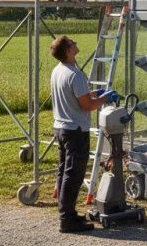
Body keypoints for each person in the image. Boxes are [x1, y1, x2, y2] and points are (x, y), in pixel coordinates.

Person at [50, 35, 117, 233]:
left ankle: (67, 213)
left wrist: (96, 92)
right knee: (74, 174)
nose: (76, 44)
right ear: (68, 51)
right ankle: (67, 220)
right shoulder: (75, 75)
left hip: (61, 128)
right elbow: (86, 105)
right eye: (72, 44)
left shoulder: (58, 71)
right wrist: (105, 97)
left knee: (64, 172)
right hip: (76, 130)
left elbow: (79, 96)